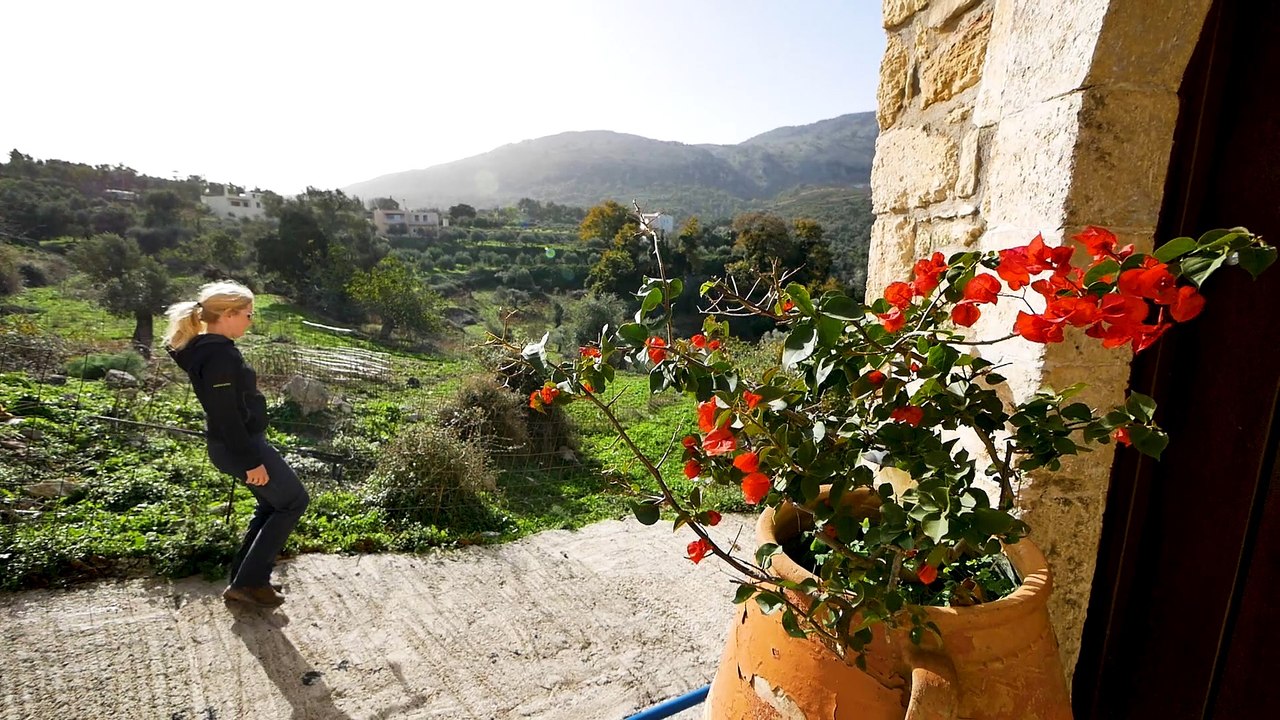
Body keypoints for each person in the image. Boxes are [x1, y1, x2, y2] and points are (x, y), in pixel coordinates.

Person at [164, 281, 309, 608]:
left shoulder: (208, 349)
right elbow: (225, 414)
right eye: (247, 314)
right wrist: (249, 460)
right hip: (240, 447)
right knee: (294, 501)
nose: (250, 321)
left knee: (273, 505)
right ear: (228, 314)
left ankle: (246, 581)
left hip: (237, 444)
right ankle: (250, 582)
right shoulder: (218, 356)